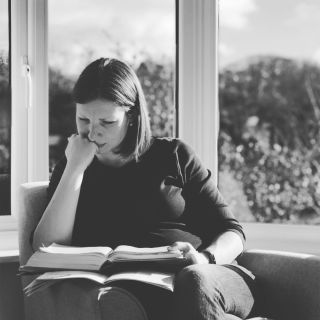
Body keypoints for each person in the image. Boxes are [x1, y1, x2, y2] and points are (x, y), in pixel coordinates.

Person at [32, 57, 260, 320]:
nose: (92, 133)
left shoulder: (174, 154)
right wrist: (74, 169)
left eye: (106, 122)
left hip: (210, 277)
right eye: (83, 119)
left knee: (194, 281)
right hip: (135, 291)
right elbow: (46, 247)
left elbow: (232, 232)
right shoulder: (72, 167)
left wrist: (204, 258)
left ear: (132, 117)